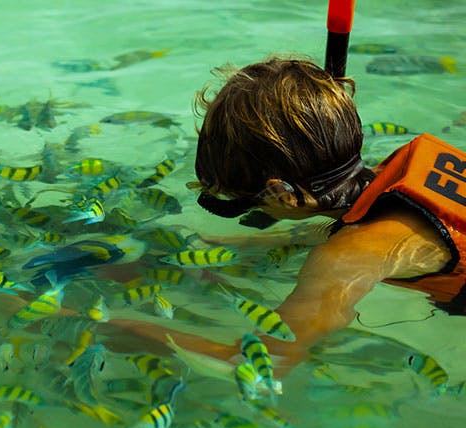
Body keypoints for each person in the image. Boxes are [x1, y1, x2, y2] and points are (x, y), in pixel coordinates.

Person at [111, 57, 466, 367]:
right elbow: (354, 225)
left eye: (249, 202)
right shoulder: (404, 168)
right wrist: (219, 248)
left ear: (282, 194)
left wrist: (110, 324)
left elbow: (261, 361)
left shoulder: (345, 257)